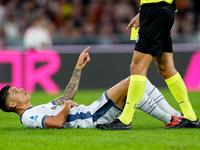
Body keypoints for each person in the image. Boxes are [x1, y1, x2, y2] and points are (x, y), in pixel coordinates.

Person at [0, 47, 184, 129]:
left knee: (137, 80)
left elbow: (65, 97)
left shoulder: (35, 109)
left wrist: (78, 67)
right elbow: (55, 123)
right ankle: (171, 119)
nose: (20, 89)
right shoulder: (28, 117)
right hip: (92, 118)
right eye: (15, 92)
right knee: (132, 83)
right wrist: (67, 106)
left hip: (92, 111)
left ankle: (177, 116)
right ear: (13, 105)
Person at [96, 0, 200, 130]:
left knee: (137, 67)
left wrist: (148, 11)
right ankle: (190, 117)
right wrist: (142, 12)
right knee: (166, 68)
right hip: (161, 11)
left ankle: (125, 120)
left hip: (155, 11)